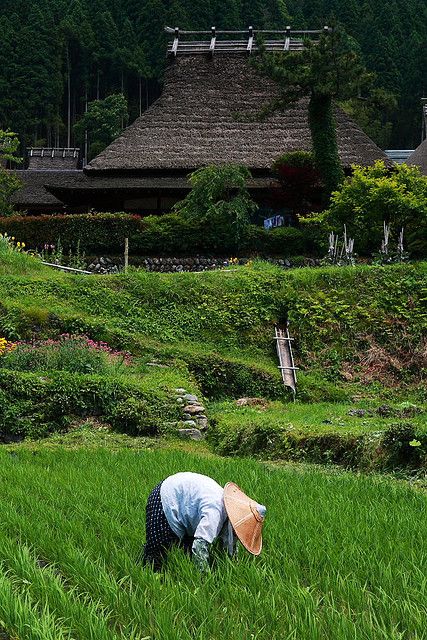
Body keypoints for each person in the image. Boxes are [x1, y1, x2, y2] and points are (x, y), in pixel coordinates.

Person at [142, 471, 266, 571]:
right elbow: (199, 545)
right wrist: (205, 577)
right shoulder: (215, 512)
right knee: (157, 551)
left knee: (186, 553)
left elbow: (230, 542)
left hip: (186, 503)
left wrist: (233, 566)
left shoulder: (229, 512)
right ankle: (148, 573)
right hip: (166, 497)